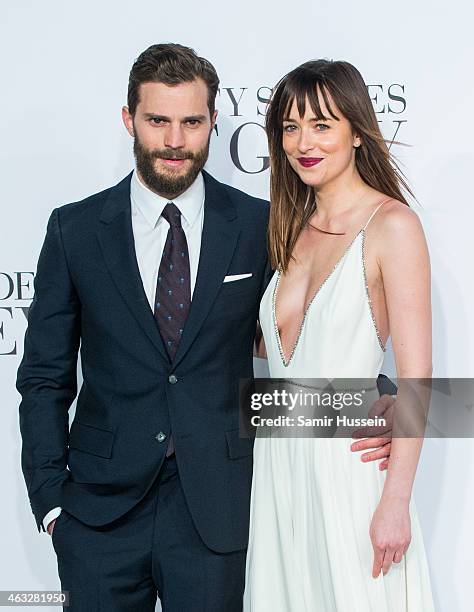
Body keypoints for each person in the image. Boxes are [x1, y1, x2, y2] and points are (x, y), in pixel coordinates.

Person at [17, 44, 393, 611]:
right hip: (97, 519)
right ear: (129, 120)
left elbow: (308, 336)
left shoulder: (259, 225)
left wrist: (383, 400)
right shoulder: (74, 230)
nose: (174, 140)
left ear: (213, 123)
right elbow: (44, 378)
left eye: (191, 121)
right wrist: (51, 504)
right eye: (157, 121)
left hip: (218, 513)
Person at [244, 60, 434, 611]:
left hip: (349, 478)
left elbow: (419, 378)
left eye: (322, 124)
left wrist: (395, 501)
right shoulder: (288, 228)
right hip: (279, 477)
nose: (304, 142)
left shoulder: (392, 226)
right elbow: (279, 351)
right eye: (290, 126)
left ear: (356, 131)